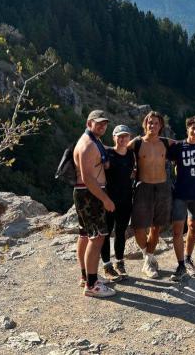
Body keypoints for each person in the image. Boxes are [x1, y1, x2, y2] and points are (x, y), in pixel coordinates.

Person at [73, 110, 116, 298]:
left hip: (85, 193)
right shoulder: (88, 145)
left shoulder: (93, 141)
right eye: (98, 123)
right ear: (89, 123)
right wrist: (105, 199)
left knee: (85, 235)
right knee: (97, 237)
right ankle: (92, 285)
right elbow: (88, 178)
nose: (102, 126)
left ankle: (86, 276)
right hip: (91, 194)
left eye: (104, 123)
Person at [168, 116, 195, 281]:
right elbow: (163, 152)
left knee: (193, 227)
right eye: (193, 128)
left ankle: (188, 258)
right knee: (177, 230)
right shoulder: (179, 146)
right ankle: (180, 265)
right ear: (187, 129)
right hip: (180, 194)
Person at [128, 111, 172, 279]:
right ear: (144, 124)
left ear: (160, 126)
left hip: (162, 187)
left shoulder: (166, 143)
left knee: (156, 226)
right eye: (149, 122)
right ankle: (148, 256)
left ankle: (148, 261)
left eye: (155, 123)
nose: (152, 125)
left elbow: (186, 144)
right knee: (138, 226)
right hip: (143, 186)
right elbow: (120, 151)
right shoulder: (137, 143)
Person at [101, 125, 135, 281]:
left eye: (125, 136)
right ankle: (107, 266)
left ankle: (119, 263)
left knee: (121, 232)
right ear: (114, 138)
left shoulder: (130, 155)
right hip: (109, 201)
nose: (122, 139)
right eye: (119, 136)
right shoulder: (108, 154)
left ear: (129, 138)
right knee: (106, 233)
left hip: (126, 199)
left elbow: (131, 173)